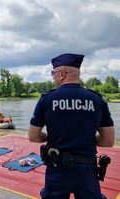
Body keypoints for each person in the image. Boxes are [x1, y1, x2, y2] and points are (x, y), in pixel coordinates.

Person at [28, 53, 115, 199]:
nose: (52, 76)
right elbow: (108, 141)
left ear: (62, 74)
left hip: (57, 169)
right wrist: (85, 138)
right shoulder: (96, 100)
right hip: (87, 170)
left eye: (53, 73)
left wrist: (52, 136)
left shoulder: (47, 99)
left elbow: (33, 136)